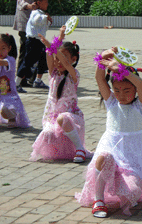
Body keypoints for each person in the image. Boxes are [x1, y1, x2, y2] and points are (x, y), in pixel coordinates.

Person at [75, 47, 142, 217]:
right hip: (110, 149)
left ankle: (119, 186)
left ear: (134, 91)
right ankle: (98, 200)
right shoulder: (111, 102)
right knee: (104, 157)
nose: (121, 95)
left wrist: (121, 69)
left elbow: (141, 84)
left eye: (127, 91)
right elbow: (99, 78)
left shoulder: (140, 107)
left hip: (130, 160)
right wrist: (103, 58)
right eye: (117, 90)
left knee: (133, 193)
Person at [30, 26, 93, 163]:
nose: (59, 62)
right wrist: (59, 38)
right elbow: (50, 55)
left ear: (74, 59)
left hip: (70, 117)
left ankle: (80, 148)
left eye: (64, 57)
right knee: (48, 133)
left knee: (62, 118)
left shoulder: (73, 75)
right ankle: (69, 150)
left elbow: (63, 61)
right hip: (51, 115)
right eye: (57, 58)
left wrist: (54, 45)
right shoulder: (53, 73)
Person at [15, 0, 51, 93]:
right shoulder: (35, 12)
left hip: (40, 41)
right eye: (45, 2)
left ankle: (37, 80)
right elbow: (36, 21)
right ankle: (16, 83)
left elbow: (43, 27)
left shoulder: (41, 13)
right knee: (27, 62)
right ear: (39, 3)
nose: (47, 4)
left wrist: (49, 21)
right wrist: (45, 17)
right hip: (32, 41)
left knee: (43, 59)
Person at [0, 33, 30, 128]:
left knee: (6, 108)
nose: (0, 51)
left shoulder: (10, 60)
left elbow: (2, 63)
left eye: (3, 48)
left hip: (8, 93)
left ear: (9, 48)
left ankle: (13, 117)